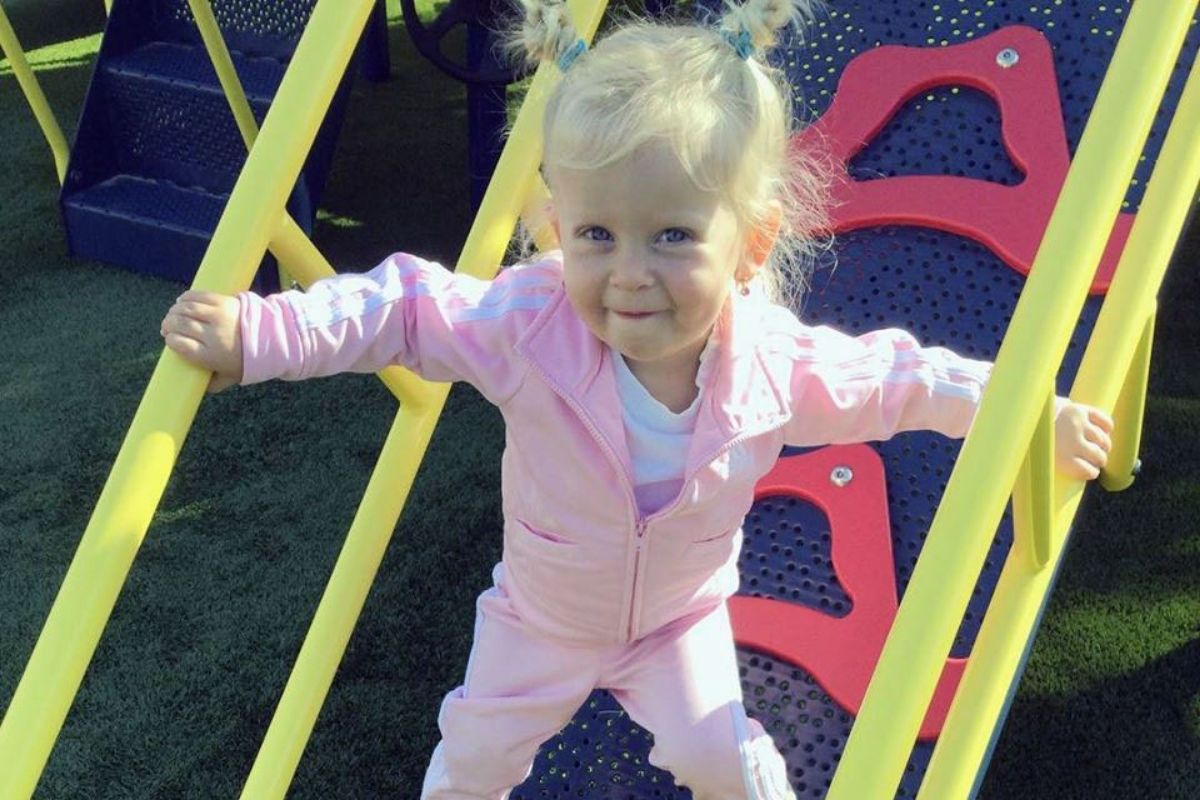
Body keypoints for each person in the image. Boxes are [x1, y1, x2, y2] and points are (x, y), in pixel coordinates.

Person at [160, 0, 1114, 795]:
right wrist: (262, 335)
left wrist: (1033, 412)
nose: (628, 275)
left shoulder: (770, 365)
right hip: (539, 617)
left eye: (670, 237)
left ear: (747, 245)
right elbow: (406, 306)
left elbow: (901, 378)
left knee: (723, 762)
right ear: (555, 229)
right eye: (597, 235)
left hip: (679, 621)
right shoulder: (528, 326)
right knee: (474, 757)